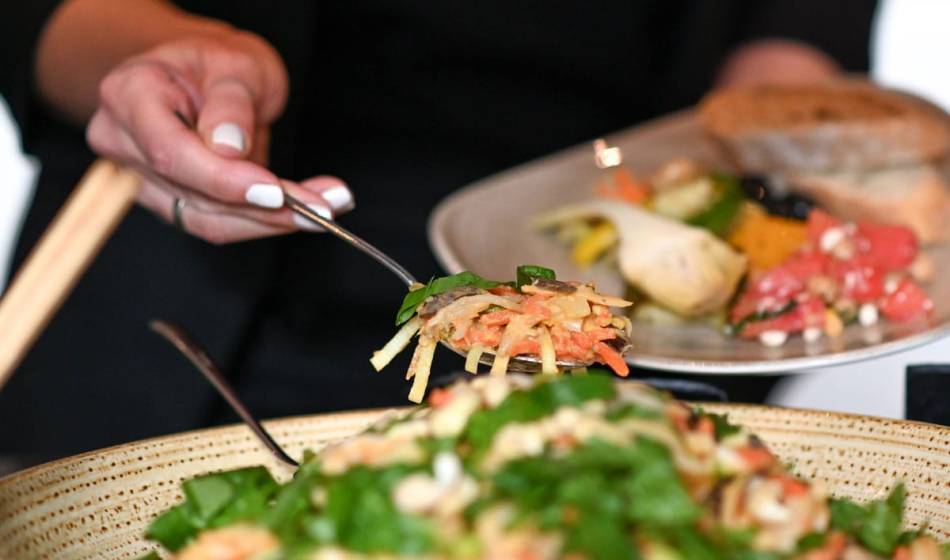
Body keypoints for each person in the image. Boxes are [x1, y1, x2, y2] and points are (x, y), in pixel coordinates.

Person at [0, 1, 877, 464]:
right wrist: (170, 59)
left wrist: (755, 152)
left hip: (615, 291)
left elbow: (791, 24)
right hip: (180, 290)